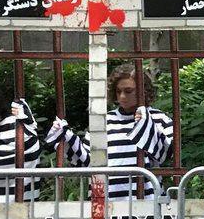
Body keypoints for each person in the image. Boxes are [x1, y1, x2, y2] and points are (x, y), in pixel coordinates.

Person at [47, 64, 172, 200]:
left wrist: (145, 123)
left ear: (143, 91)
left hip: (146, 202)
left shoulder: (159, 118)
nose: (122, 96)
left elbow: (166, 155)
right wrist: (67, 137)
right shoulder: (104, 121)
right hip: (107, 202)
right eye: (118, 91)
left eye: (128, 91)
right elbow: (88, 162)